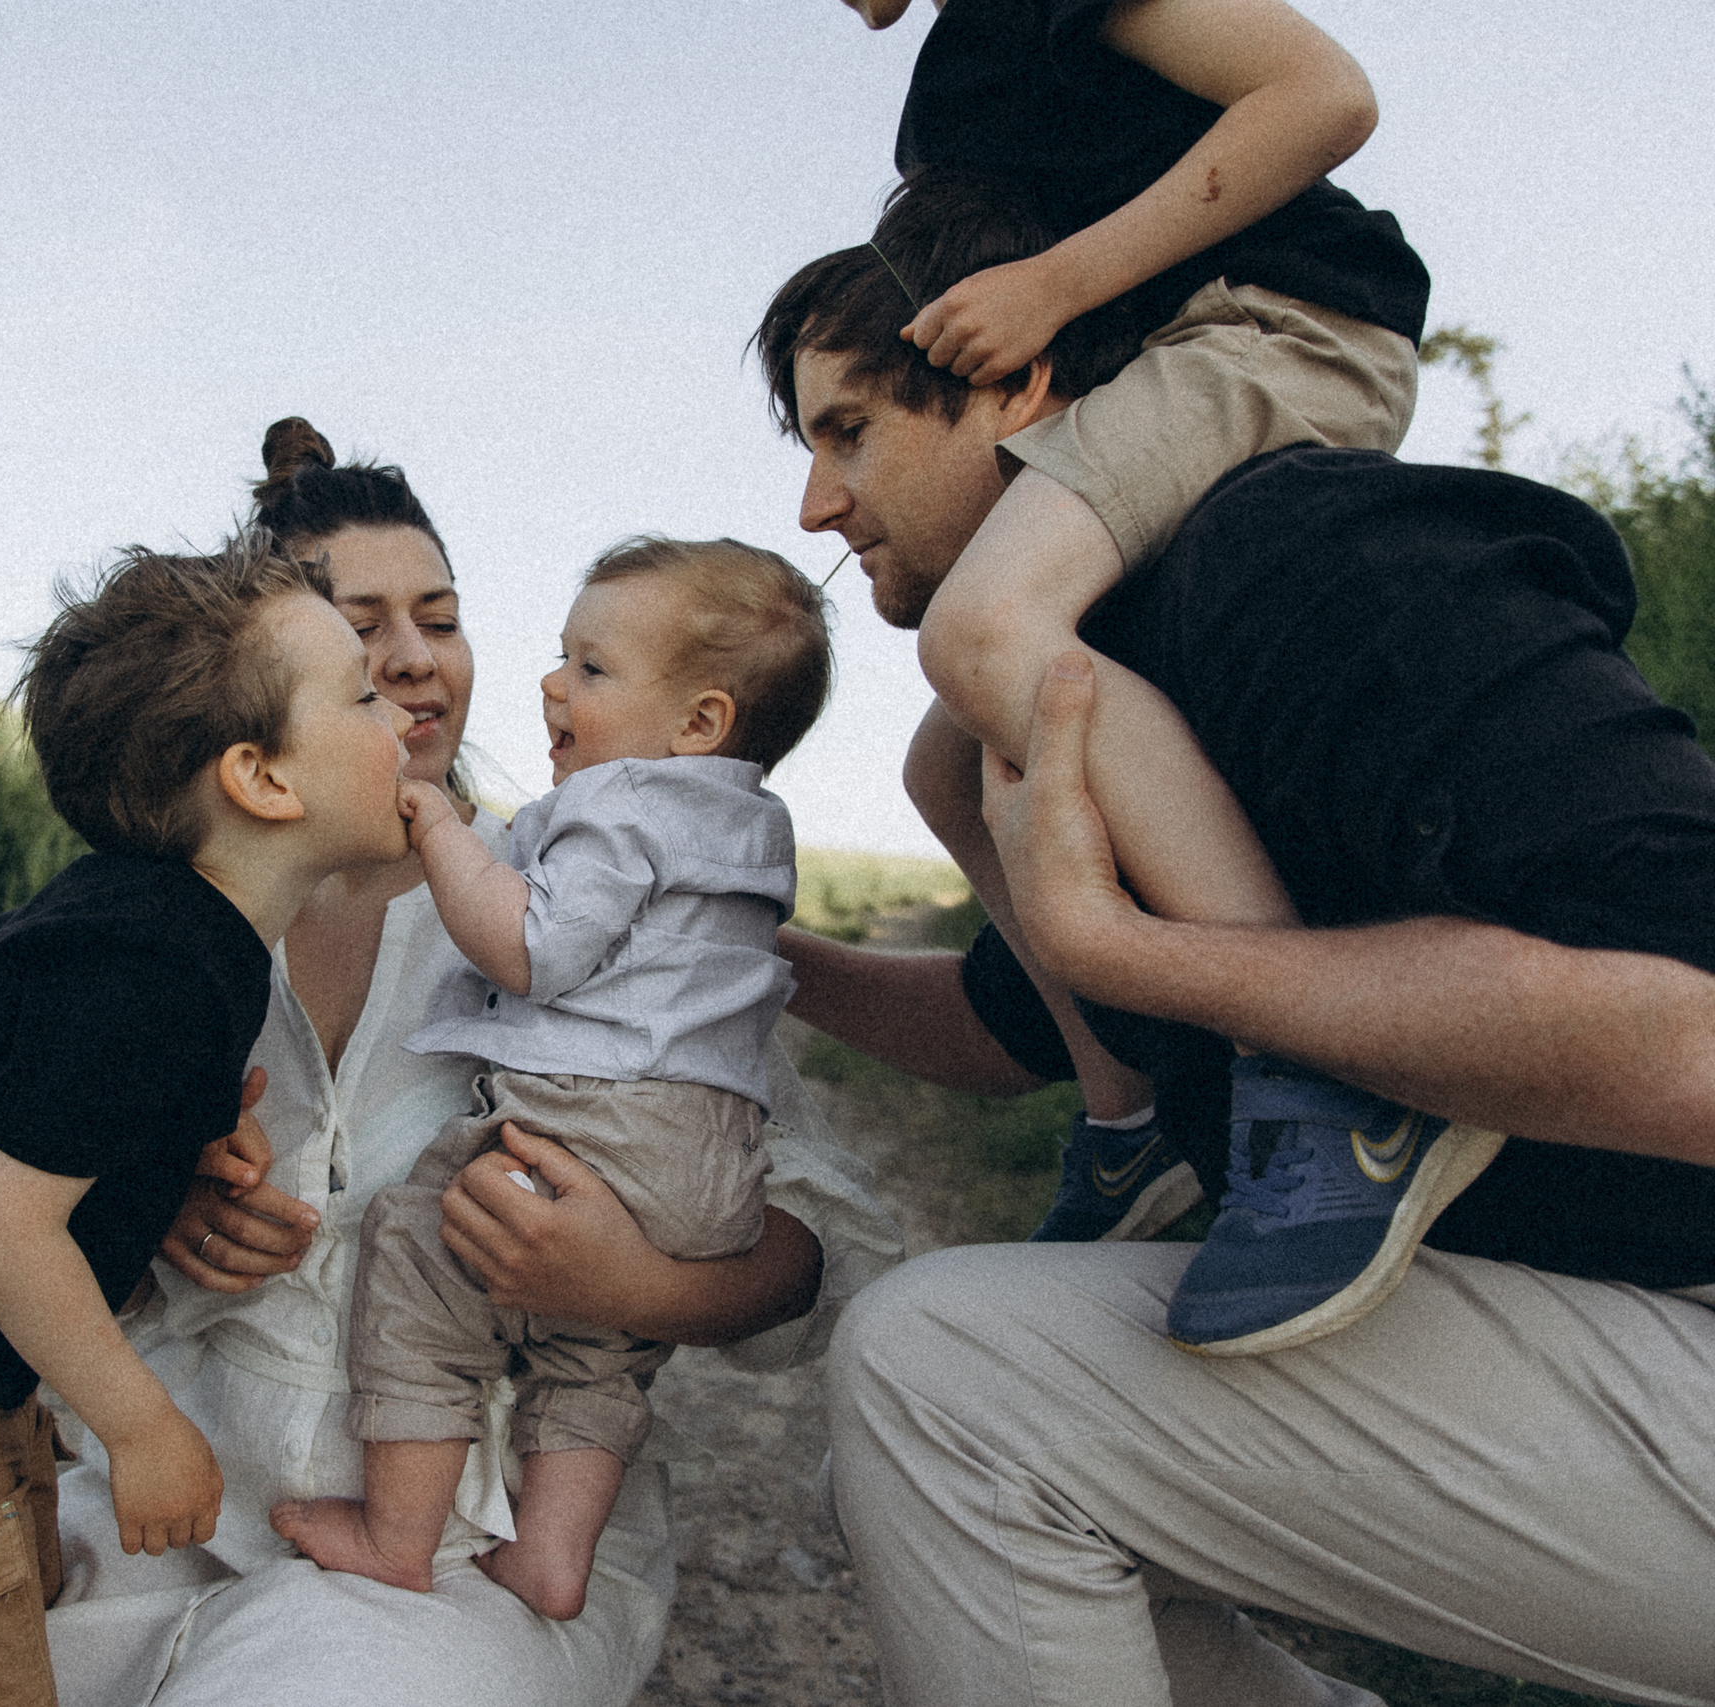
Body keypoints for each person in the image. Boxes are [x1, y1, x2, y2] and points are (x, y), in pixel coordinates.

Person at [761, 178, 1715, 1702]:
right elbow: (1009, 1024)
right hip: (1605, 1344)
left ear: (1018, 377)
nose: (814, 507)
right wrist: (757, 946)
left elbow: (1696, 1047)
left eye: (848, 431)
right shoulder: (1090, 679)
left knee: (946, 1380)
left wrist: (1139, 955)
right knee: (907, 1454)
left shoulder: (1314, 561)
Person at [43, 421, 902, 1707]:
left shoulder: (610, 898)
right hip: (167, 1500)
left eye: (439, 618)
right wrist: (153, 1205)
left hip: (464, 1547)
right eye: (361, 627)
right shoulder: (161, 921)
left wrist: (639, 1283)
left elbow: (807, 1250)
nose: (413, 660)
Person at [835, 0, 1468, 1323]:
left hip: (1276, 325)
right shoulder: (952, 83)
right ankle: (1135, 1125)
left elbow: (1323, 95)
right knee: (947, 760)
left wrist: (1061, 283)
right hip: (1167, 357)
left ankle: (1331, 1075)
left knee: (982, 629)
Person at [0, 537, 416, 1707]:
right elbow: (2, 1228)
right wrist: (144, 1429)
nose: (397, 716)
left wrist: (169, 1149)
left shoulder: (170, 930)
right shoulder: (151, 967)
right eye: (360, 695)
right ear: (261, 779)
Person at [271, 538, 830, 1621]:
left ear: (700, 723)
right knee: (600, 1358)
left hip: (594, 1119)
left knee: (420, 1258)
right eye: (358, 633)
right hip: (703, 1148)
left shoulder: (611, 808)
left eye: (590, 668)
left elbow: (533, 950)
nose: (550, 684)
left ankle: (399, 1534)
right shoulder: (748, 829)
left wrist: (440, 830)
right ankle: (552, 1554)